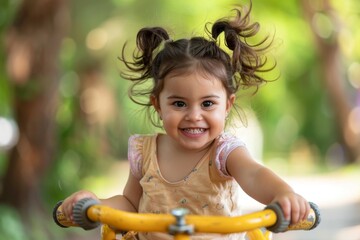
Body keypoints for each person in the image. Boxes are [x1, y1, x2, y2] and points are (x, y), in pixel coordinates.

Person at [61, 3, 310, 240]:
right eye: (179, 104)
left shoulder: (224, 153)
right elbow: (130, 205)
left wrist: (283, 195)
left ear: (227, 105)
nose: (193, 115)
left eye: (207, 104)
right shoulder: (143, 152)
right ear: (158, 104)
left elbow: (254, 175)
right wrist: (95, 205)